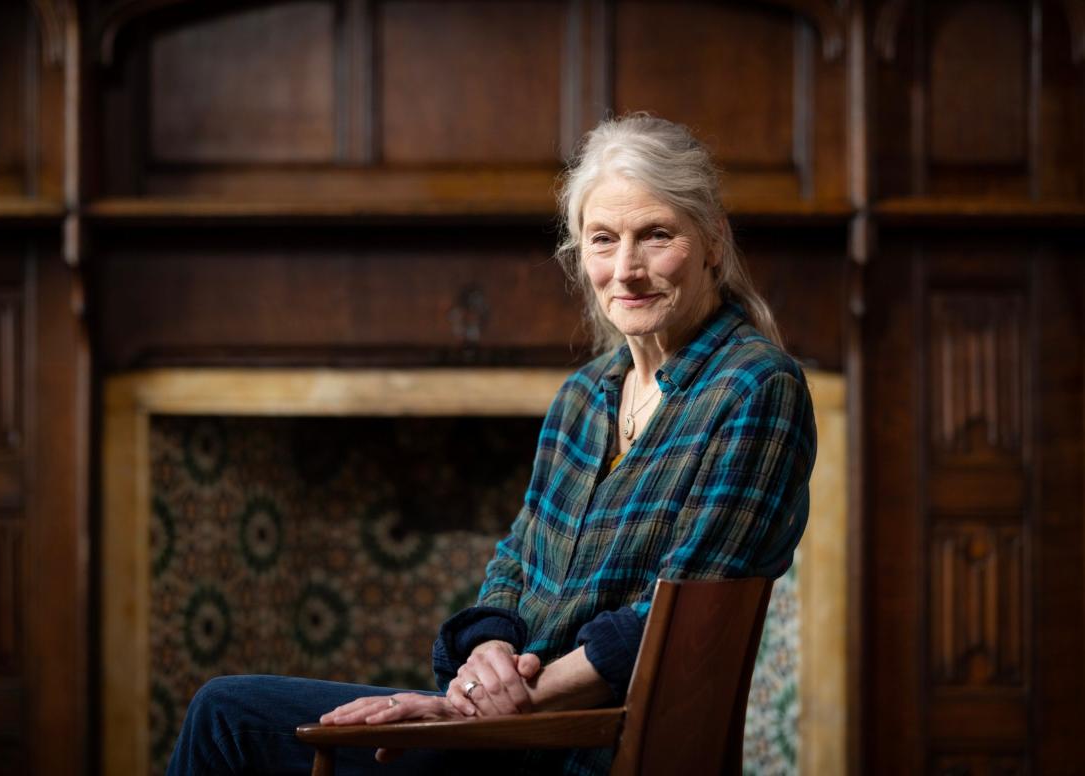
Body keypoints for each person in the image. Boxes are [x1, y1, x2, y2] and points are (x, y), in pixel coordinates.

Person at [166, 114, 817, 775]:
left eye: (655, 236)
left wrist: (473, 709)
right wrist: (485, 658)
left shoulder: (754, 387)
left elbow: (673, 625)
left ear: (712, 241)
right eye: (602, 239)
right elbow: (512, 569)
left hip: (576, 743)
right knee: (224, 709)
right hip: (507, 724)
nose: (626, 269)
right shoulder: (585, 397)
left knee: (229, 719)